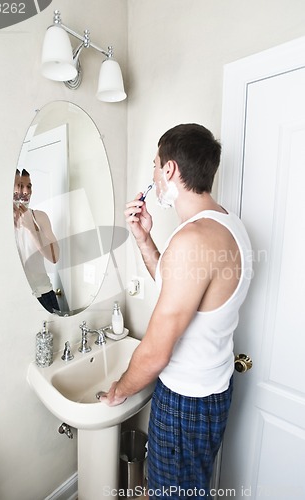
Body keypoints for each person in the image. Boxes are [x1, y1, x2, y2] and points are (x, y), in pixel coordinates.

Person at [101, 124, 252, 498]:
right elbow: (179, 292)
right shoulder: (226, 225)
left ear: (169, 171)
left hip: (186, 400)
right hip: (211, 389)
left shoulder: (193, 240)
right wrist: (143, 238)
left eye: (155, 165)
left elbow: (154, 352)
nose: (153, 174)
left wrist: (118, 389)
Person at [13, 169, 60, 313]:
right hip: (16, 297)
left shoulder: (39, 217)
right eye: (20, 185)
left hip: (45, 294)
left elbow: (54, 258)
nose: (26, 191)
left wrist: (32, 230)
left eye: (29, 186)